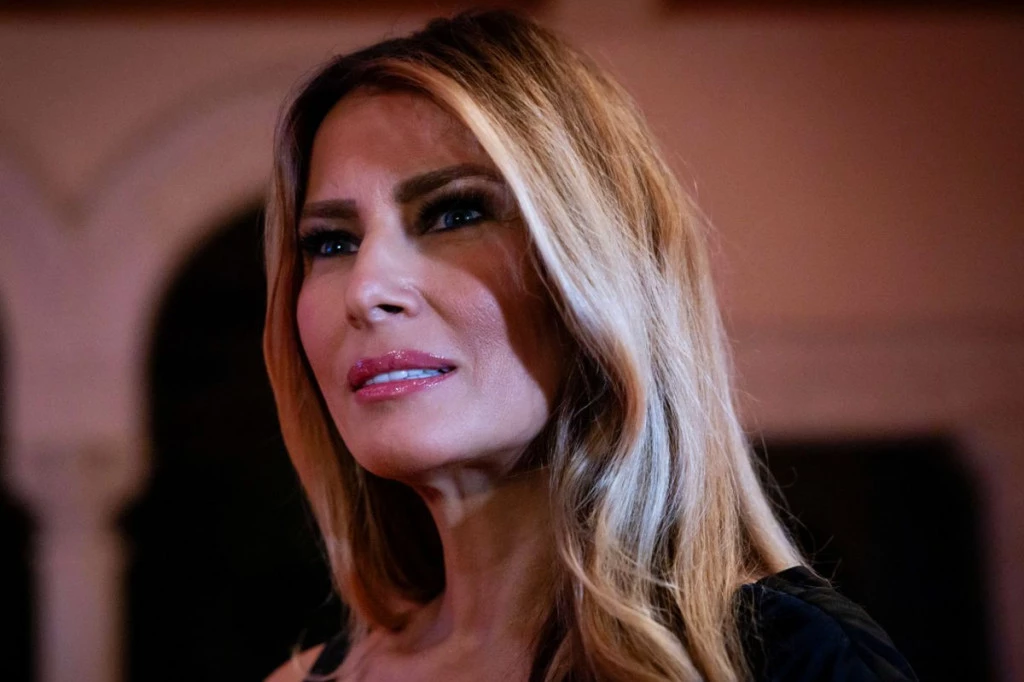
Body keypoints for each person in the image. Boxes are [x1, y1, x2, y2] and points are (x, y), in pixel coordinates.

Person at [262, 10, 917, 682]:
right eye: (331, 243)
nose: (366, 289)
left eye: (455, 213)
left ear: (598, 265)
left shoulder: (793, 660)